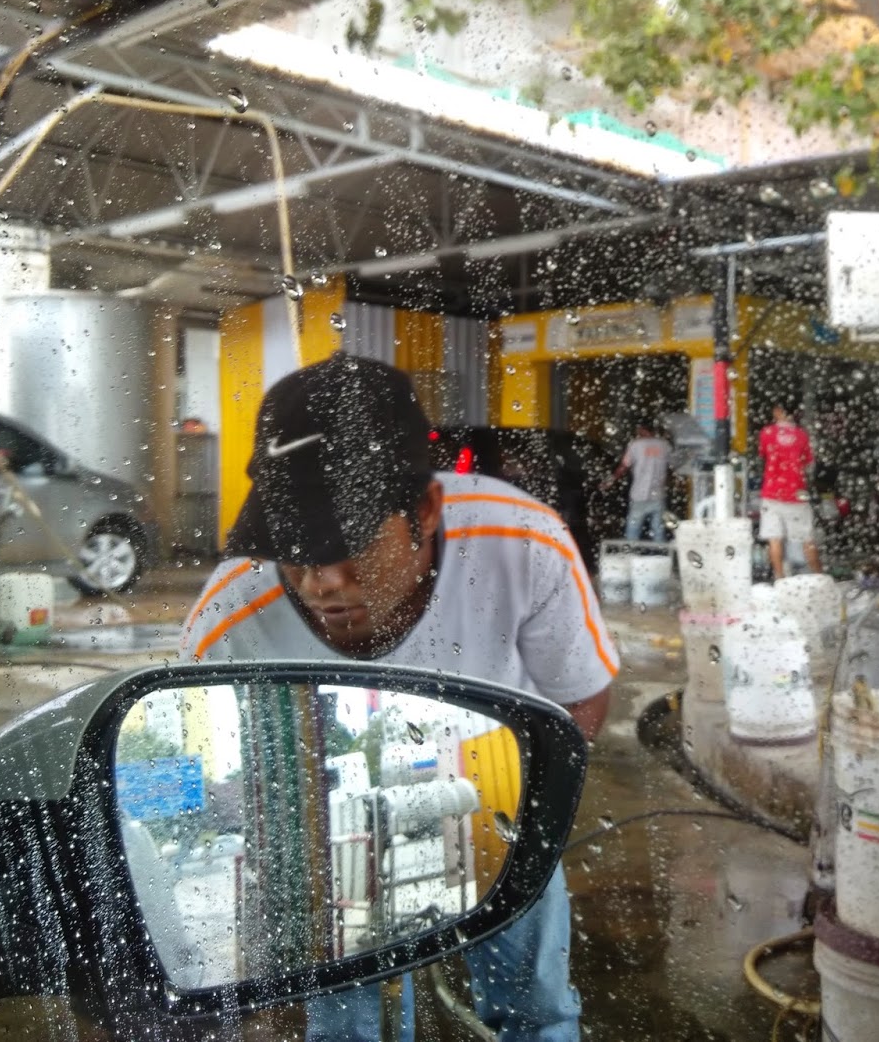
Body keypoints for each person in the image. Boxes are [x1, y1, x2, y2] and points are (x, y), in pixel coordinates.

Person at [179, 353, 617, 1042]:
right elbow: (227, 776)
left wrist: (519, 814)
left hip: (497, 795)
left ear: (427, 509)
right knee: (348, 1022)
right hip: (330, 826)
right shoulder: (230, 623)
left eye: (350, 542)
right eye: (294, 546)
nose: (323, 580)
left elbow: (579, 705)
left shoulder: (523, 542)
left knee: (536, 1009)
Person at [757, 403, 821, 579]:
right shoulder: (802, 435)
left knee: (774, 539)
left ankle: (779, 579)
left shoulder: (767, 433)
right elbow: (807, 461)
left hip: (772, 493)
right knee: (807, 539)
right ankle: (820, 577)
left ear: (777, 411)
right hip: (797, 494)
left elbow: (763, 454)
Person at [607, 421, 671, 541]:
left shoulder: (635, 445)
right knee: (658, 529)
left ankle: (631, 553)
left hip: (639, 494)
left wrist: (611, 480)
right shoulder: (664, 445)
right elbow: (671, 466)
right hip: (658, 494)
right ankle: (660, 555)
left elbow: (624, 466)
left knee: (633, 528)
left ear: (642, 429)